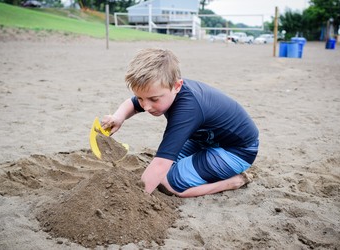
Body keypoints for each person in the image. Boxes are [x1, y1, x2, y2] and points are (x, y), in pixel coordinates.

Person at [101, 48, 259, 198]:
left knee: (169, 183)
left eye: (154, 99)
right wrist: (118, 117)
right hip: (206, 141)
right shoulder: (163, 87)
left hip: (237, 150)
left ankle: (233, 182)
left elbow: (160, 164)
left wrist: (137, 198)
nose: (146, 106)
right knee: (164, 170)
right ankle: (209, 167)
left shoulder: (188, 110)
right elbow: (131, 104)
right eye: (141, 98)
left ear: (177, 86)